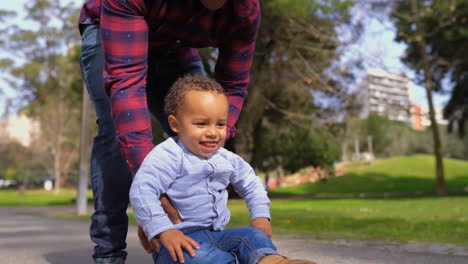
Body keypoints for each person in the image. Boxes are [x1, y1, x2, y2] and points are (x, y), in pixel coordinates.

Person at [79, 0, 261, 263]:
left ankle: (198, 244)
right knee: (115, 127)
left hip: (175, 44)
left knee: (199, 123)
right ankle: (109, 254)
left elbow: (231, 88)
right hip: (110, 28)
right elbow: (126, 88)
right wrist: (151, 205)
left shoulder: (244, 10)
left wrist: (211, 141)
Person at [130, 75, 316, 264]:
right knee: (196, 257)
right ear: (175, 124)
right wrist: (163, 229)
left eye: (220, 124)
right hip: (178, 241)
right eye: (201, 123)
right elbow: (142, 191)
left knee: (250, 236)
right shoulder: (168, 155)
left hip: (219, 236)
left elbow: (252, 184)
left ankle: (270, 260)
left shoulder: (226, 158)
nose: (212, 132)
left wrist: (260, 215)